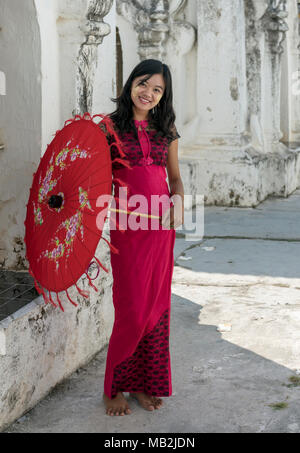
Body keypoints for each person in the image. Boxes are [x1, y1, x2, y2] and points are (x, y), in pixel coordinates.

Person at [101, 59, 184, 416]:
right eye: (143, 83)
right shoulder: (108, 128)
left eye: (157, 89)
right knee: (132, 310)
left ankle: (141, 383)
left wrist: (178, 201)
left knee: (155, 308)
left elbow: (175, 177)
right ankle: (113, 386)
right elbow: (98, 179)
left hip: (161, 231)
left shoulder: (167, 130)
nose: (148, 93)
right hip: (129, 230)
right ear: (130, 83)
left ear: (163, 96)